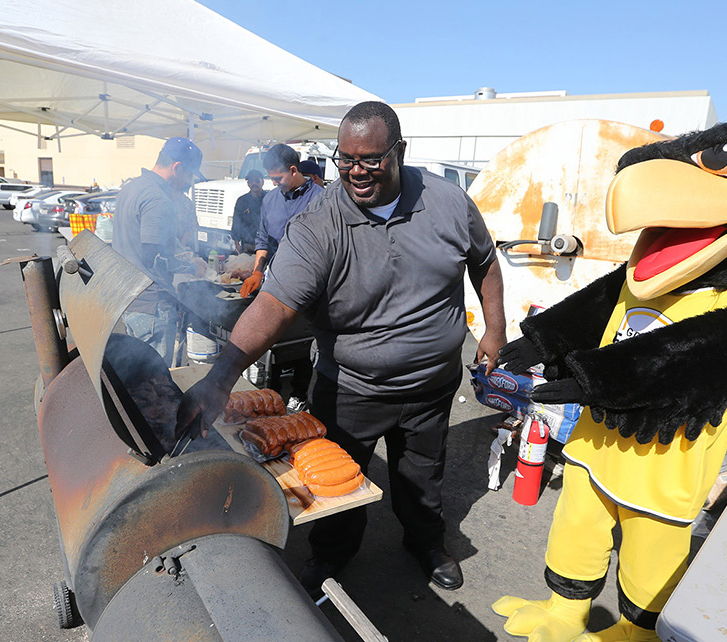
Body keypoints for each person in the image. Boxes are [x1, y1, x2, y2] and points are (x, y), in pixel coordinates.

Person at [178, 101, 506, 597]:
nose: (356, 172)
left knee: (423, 476)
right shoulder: (318, 222)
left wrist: (495, 328)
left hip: (432, 385)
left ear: (400, 152)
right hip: (352, 389)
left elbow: (485, 262)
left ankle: (426, 543)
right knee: (337, 484)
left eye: (371, 159)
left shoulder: (449, 202)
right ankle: (331, 556)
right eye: (345, 159)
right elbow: (273, 306)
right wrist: (220, 377)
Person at [113, 136, 206, 366]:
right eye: (190, 175)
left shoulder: (131, 187)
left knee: (138, 375)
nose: (189, 182)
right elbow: (154, 257)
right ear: (178, 168)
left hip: (127, 297)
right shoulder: (157, 198)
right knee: (155, 382)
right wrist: (192, 267)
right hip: (151, 304)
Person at [238, 144, 324, 298]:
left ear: (293, 170)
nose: (274, 183)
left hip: (310, 284)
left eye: (278, 178)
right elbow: (263, 239)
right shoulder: (270, 199)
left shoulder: (321, 199)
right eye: (271, 178)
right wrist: (257, 273)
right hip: (275, 280)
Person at [231, 169, 266, 254]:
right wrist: (236, 242)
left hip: (266, 244)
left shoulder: (269, 198)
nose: (254, 184)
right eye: (251, 181)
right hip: (247, 244)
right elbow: (237, 221)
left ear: (262, 182)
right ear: (248, 184)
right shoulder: (242, 201)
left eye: (257, 181)